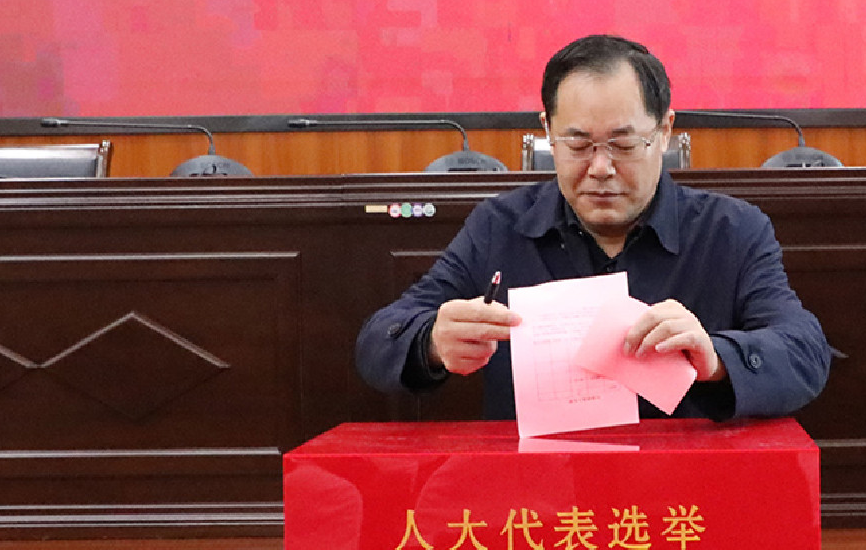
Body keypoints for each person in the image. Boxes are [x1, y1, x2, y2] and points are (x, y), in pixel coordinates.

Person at [355, 34, 830, 421]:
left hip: (680, 492)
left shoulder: (732, 231)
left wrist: (717, 357)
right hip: (539, 491)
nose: (600, 168)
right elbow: (377, 342)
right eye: (578, 145)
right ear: (548, 131)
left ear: (664, 131)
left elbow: (805, 353)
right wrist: (431, 342)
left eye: (623, 145)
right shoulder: (499, 227)